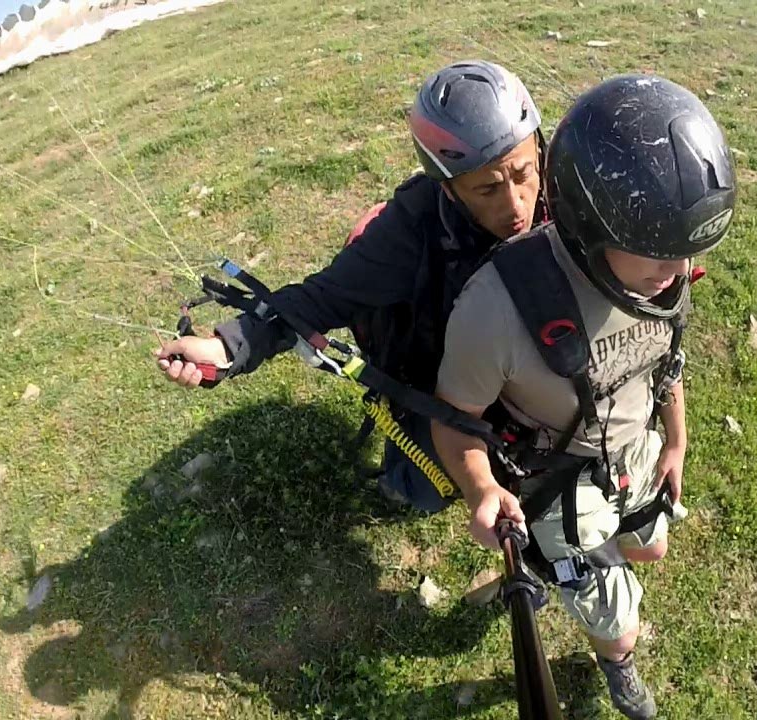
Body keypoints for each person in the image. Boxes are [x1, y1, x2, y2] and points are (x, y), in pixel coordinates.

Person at [430, 74, 736, 719]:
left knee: (651, 544)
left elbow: (664, 359)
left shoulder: (659, 268)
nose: (677, 275)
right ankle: (615, 658)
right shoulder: (499, 309)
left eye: (687, 256)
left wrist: (675, 439)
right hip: (561, 479)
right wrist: (482, 490)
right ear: (589, 225)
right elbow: (455, 421)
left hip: (638, 449)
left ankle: (578, 565)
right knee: (619, 622)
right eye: (659, 257)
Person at [153, 60, 545, 512]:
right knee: (423, 488)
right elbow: (320, 299)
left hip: (535, 354)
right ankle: (406, 470)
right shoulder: (412, 230)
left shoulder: (568, 187)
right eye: (486, 190)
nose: (516, 206)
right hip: (439, 372)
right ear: (449, 189)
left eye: (522, 174)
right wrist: (228, 348)